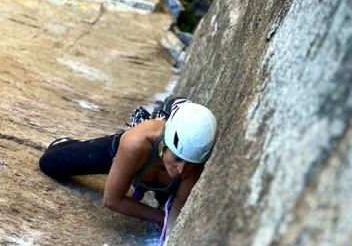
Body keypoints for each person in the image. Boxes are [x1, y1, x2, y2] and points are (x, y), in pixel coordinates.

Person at [38, 97, 217, 236]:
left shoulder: (195, 160)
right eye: (177, 158)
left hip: (158, 172)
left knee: (168, 201)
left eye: (189, 163)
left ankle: (171, 108)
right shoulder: (136, 143)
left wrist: (168, 231)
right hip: (135, 154)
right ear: (166, 143)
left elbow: (179, 203)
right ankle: (73, 145)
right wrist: (158, 216)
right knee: (50, 163)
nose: (182, 170)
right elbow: (112, 200)